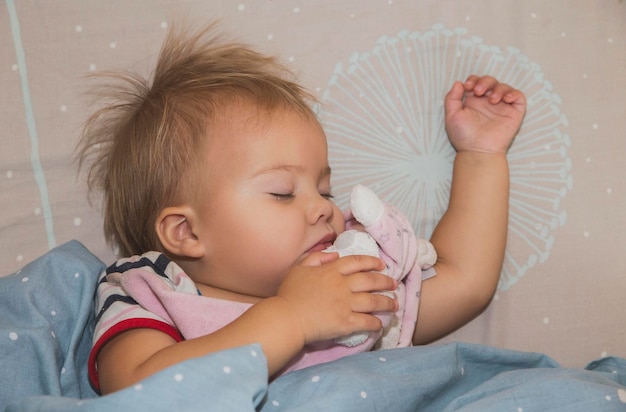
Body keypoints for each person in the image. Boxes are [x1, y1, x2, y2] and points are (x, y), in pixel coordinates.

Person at [78, 24, 526, 395]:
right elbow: (133, 392)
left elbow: (466, 281)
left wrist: (481, 157)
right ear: (185, 233)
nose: (323, 211)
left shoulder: (350, 279)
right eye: (282, 193)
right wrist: (289, 317)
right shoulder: (155, 294)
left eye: (325, 191)